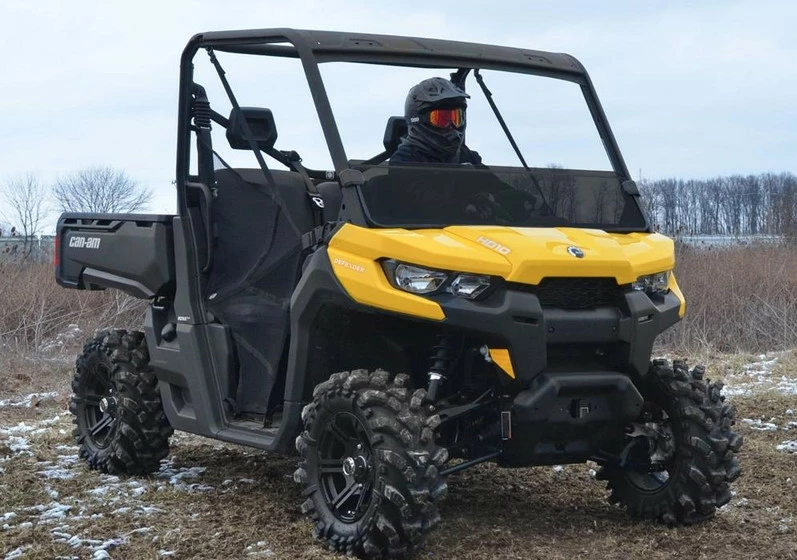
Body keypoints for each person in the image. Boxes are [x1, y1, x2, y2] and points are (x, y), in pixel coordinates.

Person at [390, 77, 482, 165]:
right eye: (442, 119)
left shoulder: (466, 156)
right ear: (416, 120)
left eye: (457, 118)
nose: (451, 126)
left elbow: (492, 181)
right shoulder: (405, 160)